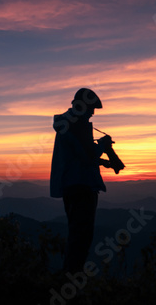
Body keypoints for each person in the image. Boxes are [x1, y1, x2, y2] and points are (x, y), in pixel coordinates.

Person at [50, 88, 114, 273]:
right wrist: (102, 145)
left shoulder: (68, 124)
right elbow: (86, 156)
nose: (93, 113)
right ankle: (70, 281)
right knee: (82, 237)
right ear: (82, 107)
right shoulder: (76, 126)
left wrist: (102, 160)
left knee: (76, 235)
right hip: (82, 186)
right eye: (91, 108)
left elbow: (76, 157)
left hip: (71, 186)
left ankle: (69, 277)